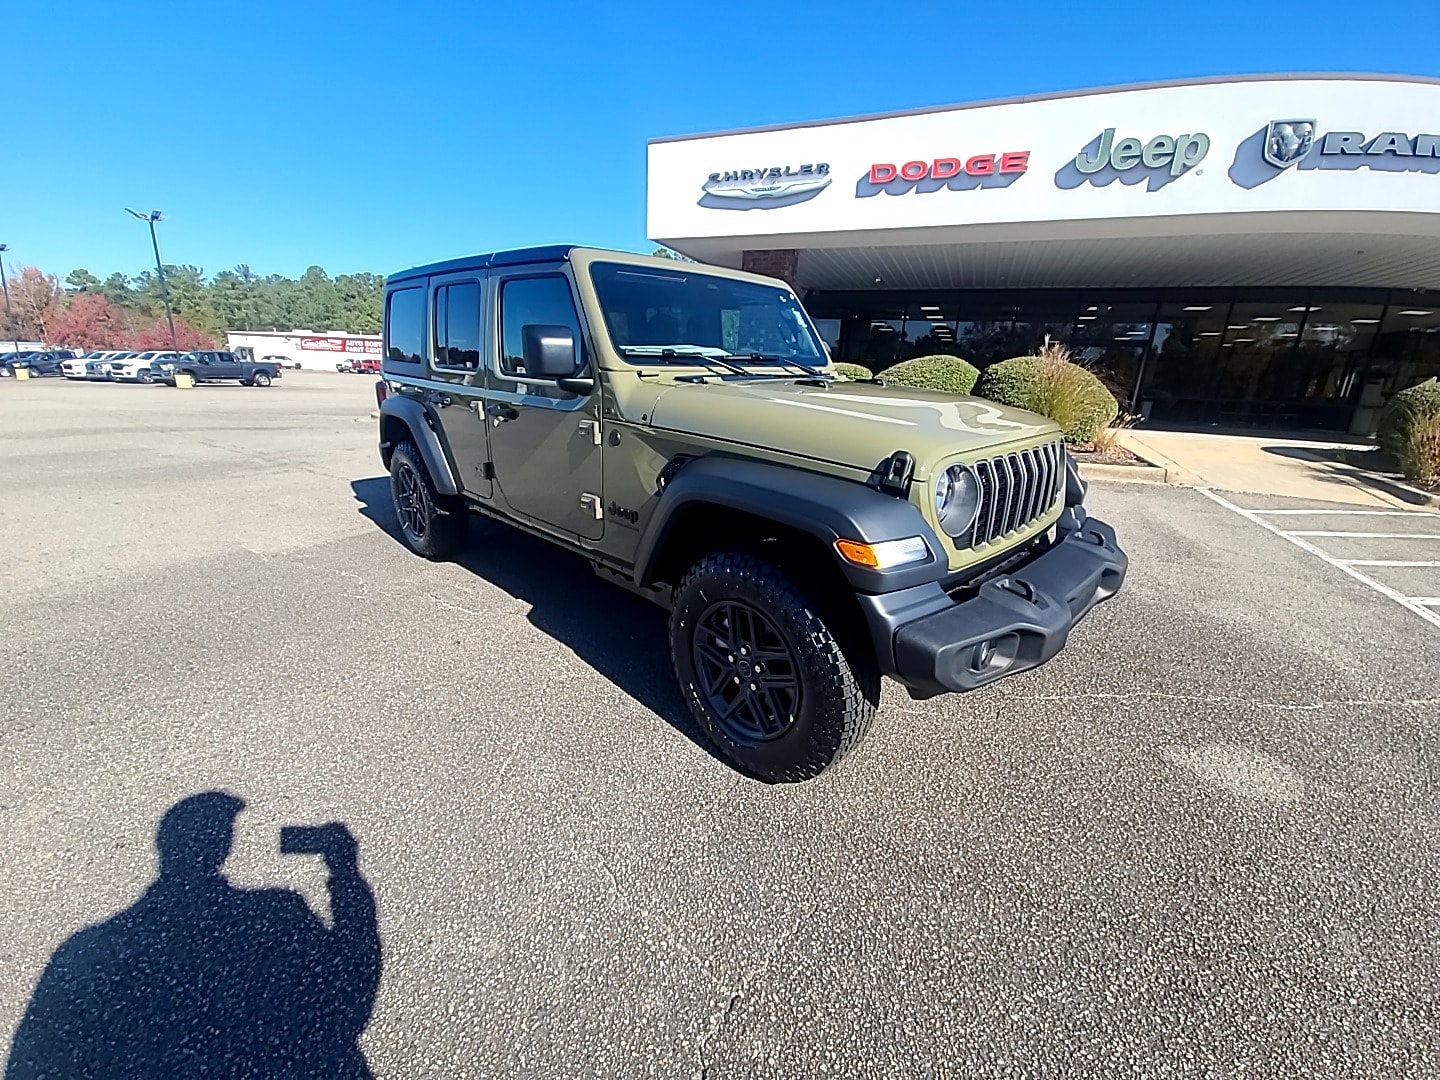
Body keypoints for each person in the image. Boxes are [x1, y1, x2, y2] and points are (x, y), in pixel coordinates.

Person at [6, 792, 381, 1079]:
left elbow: (34, 1060)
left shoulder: (89, 951)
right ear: (223, 846)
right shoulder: (279, 911)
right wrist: (344, 872)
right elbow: (353, 978)